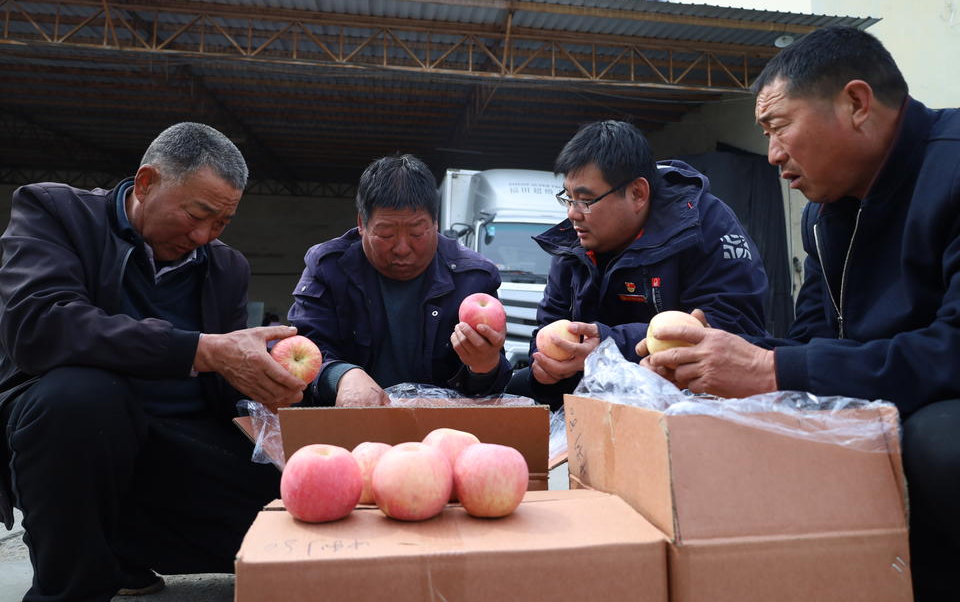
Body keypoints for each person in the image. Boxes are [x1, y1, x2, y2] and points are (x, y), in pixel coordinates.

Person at [639, 26, 960, 602]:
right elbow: (816, 342)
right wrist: (721, 356)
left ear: (857, 104)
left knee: (941, 442)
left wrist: (769, 371)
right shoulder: (824, 216)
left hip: (940, 422)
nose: (772, 154)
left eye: (779, 127)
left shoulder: (954, 170)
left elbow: (952, 350)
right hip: (898, 405)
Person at [0, 122, 307, 602]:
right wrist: (199, 349)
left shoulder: (226, 268)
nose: (204, 235)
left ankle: (119, 548)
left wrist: (261, 377)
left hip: (177, 441)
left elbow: (221, 386)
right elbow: (39, 324)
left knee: (289, 506)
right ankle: (69, 587)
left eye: (222, 222)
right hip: (78, 436)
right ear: (146, 184)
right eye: (196, 214)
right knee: (81, 400)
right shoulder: (56, 212)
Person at [514, 119, 768, 409]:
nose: (573, 213)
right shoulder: (574, 245)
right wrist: (546, 367)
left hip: (692, 412)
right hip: (593, 408)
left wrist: (608, 345)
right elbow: (548, 325)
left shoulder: (704, 225)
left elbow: (734, 326)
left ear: (638, 194)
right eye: (568, 198)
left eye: (585, 200)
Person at [288, 154, 512, 406]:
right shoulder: (328, 267)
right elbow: (303, 349)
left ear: (436, 223)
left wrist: (484, 365)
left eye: (417, 232)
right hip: (349, 422)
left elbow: (494, 388)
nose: (402, 248)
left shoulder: (473, 279)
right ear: (362, 223)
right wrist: (341, 375)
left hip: (441, 429)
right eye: (386, 234)